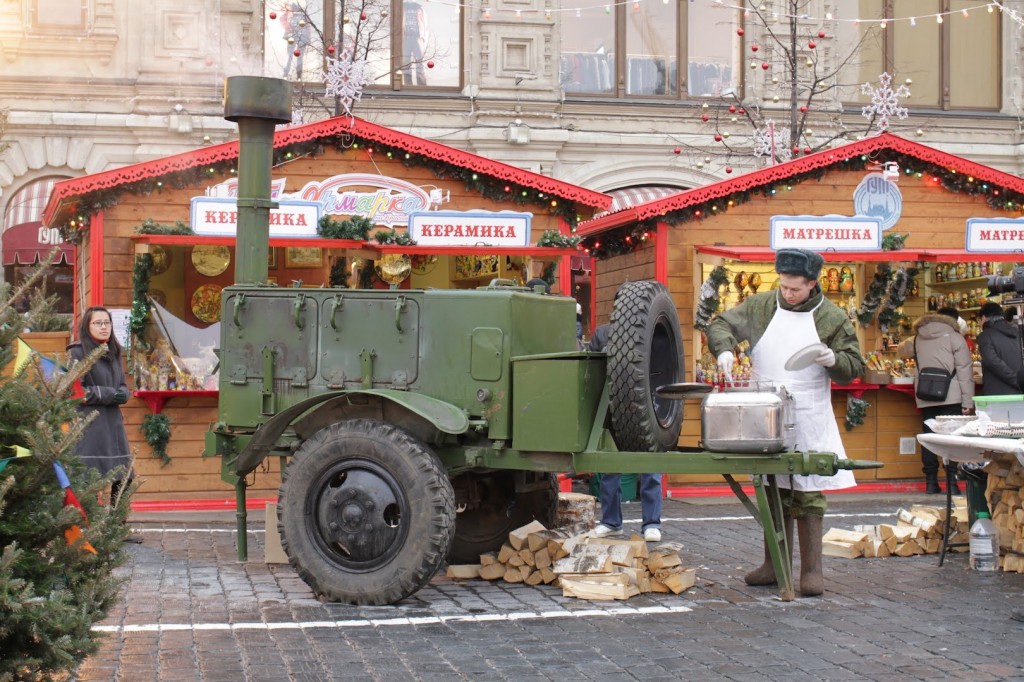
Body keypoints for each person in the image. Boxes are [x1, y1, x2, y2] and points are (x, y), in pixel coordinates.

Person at [707, 248, 864, 597]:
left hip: (810, 411)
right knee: (771, 487)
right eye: (784, 286)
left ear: (812, 283)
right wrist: (725, 350)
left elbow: (855, 366)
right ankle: (773, 564)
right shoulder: (762, 306)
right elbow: (720, 323)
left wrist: (834, 358)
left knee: (807, 491)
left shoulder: (832, 318)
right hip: (765, 407)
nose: (788, 293)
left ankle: (812, 572)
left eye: (795, 288)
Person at [67, 307, 138, 540]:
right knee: (90, 478)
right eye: (98, 323)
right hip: (91, 426)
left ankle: (117, 528)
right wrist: (108, 394)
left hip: (113, 425)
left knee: (124, 476)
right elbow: (74, 391)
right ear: (87, 326)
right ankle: (91, 530)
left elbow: (123, 386)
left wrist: (124, 394)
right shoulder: (78, 353)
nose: (104, 326)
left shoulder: (114, 352)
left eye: (106, 322)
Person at [588, 323, 663, 542]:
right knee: (610, 468)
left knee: (651, 467)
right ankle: (611, 522)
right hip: (613, 407)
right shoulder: (603, 333)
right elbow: (592, 369)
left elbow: (661, 367)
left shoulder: (650, 330)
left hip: (646, 406)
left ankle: (652, 523)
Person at [897, 306, 974, 495]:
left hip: (927, 395)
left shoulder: (917, 337)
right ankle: (952, 483)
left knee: (930, 439)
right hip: (952, 396)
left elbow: (901, 351)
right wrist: (967, 403)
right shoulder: (956, 338)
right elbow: (965, 372)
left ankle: (931, 482)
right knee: (952, 440)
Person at [976, 301, 1024, 397]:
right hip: (1019, 392)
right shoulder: (1017, 332)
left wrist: (1015, 380)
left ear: (984, 318)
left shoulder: (985, 336)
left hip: (997, 395)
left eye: (979, 320)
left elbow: (992, 362)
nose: (980, 324)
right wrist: (1020, 381)